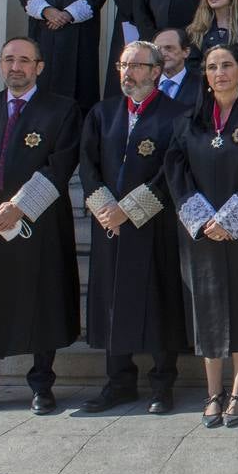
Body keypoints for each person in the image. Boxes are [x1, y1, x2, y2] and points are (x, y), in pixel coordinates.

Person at [0, 37, 81, 418]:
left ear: (40, 66)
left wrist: (19, 207)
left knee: (41, 298)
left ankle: (41, 384)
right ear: (0, 65)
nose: (15, 67)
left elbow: (60, 164)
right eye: (9, 59)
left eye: (24, 60)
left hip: (36, 223)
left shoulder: (61, 110)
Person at [165, 43, 238, 427]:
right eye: (212, 67)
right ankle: (213, 391)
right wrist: (200, 218)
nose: (220, 73)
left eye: (227, 65)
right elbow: (175, 172)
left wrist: (232, 219)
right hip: (200, 233)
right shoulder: (188, 121)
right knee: (208, 306)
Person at [78, 40, 189, 416]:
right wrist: (105, 208)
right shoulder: (102, 113)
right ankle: (119, 381)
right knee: (112, 300)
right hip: (109, 223)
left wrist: (131, 209)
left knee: (158, 299)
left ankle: (162, 383)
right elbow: (87, 165)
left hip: (152, 223)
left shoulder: (176, 114)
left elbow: (172, 168)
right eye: (123, 65)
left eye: (137, 66)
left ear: (156, 71)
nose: (128, 73)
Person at [153, 27, 200, 106]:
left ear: (186, 52)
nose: (163, 54)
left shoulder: (201, 85)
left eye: (169, 48)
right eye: (158, 49)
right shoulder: (145, 83)